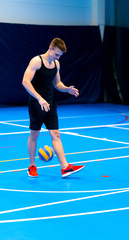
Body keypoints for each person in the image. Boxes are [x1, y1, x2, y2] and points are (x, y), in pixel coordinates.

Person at [22, 38, 84, 178]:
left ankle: (65, 167)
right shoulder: (36, 61)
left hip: (50, 102)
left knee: (56, 134)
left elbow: (57, 84)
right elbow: (25, 81)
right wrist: (39, 98)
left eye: (60, 56)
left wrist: (67, 89)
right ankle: (32, 166)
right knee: (34, 134)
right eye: (56, 54)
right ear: (50, 48)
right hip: (37, 103)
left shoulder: (56, 63)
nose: (57, 57)